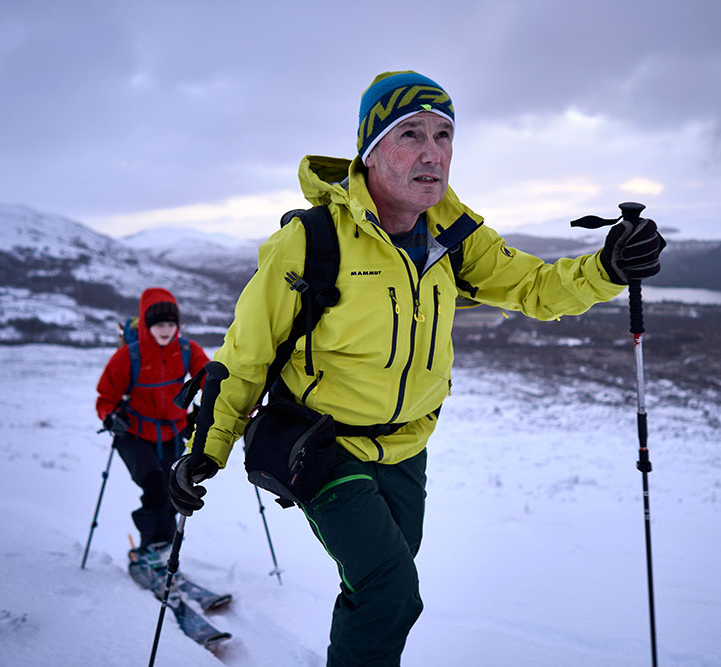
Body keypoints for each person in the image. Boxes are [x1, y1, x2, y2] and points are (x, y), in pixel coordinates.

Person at [168, 71, 666, 666]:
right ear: (371, 151)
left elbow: (532, 286)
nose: (433, 152)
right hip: (324, 449)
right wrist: (208, 448)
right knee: (390, 590)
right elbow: (245, 356)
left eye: (444, 134)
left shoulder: (453, 234)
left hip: (408, 449)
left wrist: (608, 267)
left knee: (379, 589)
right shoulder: (311, 243)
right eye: (410, 134)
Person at [95, 287, 210, 565]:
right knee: (154, 487)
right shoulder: (129, 356)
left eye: (171, 324)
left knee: (174, 490)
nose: (166, 330)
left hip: (173, 431)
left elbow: (210, 380)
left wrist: (221, 401)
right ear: (147, 323)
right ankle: (151, 546)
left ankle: (162, 547)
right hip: (133, 433)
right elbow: (105, 398)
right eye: (159, 324)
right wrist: (111, 417)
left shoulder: (186, 350)